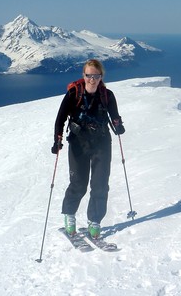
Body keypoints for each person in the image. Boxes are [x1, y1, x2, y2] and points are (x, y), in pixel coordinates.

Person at [51, 59, 125, 239]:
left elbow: (114, 116)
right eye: (89, 75)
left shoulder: (107, 95)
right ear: (83, 75)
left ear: (101, 77)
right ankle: (69, 216)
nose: (92, 79)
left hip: (101, 143)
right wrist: (57, 140)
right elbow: (60, 118)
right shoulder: (73, 94)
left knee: (100, 184)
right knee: (78, 184)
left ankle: (95, 221)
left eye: (96, 76)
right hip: (78, 143)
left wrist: (118, 125)